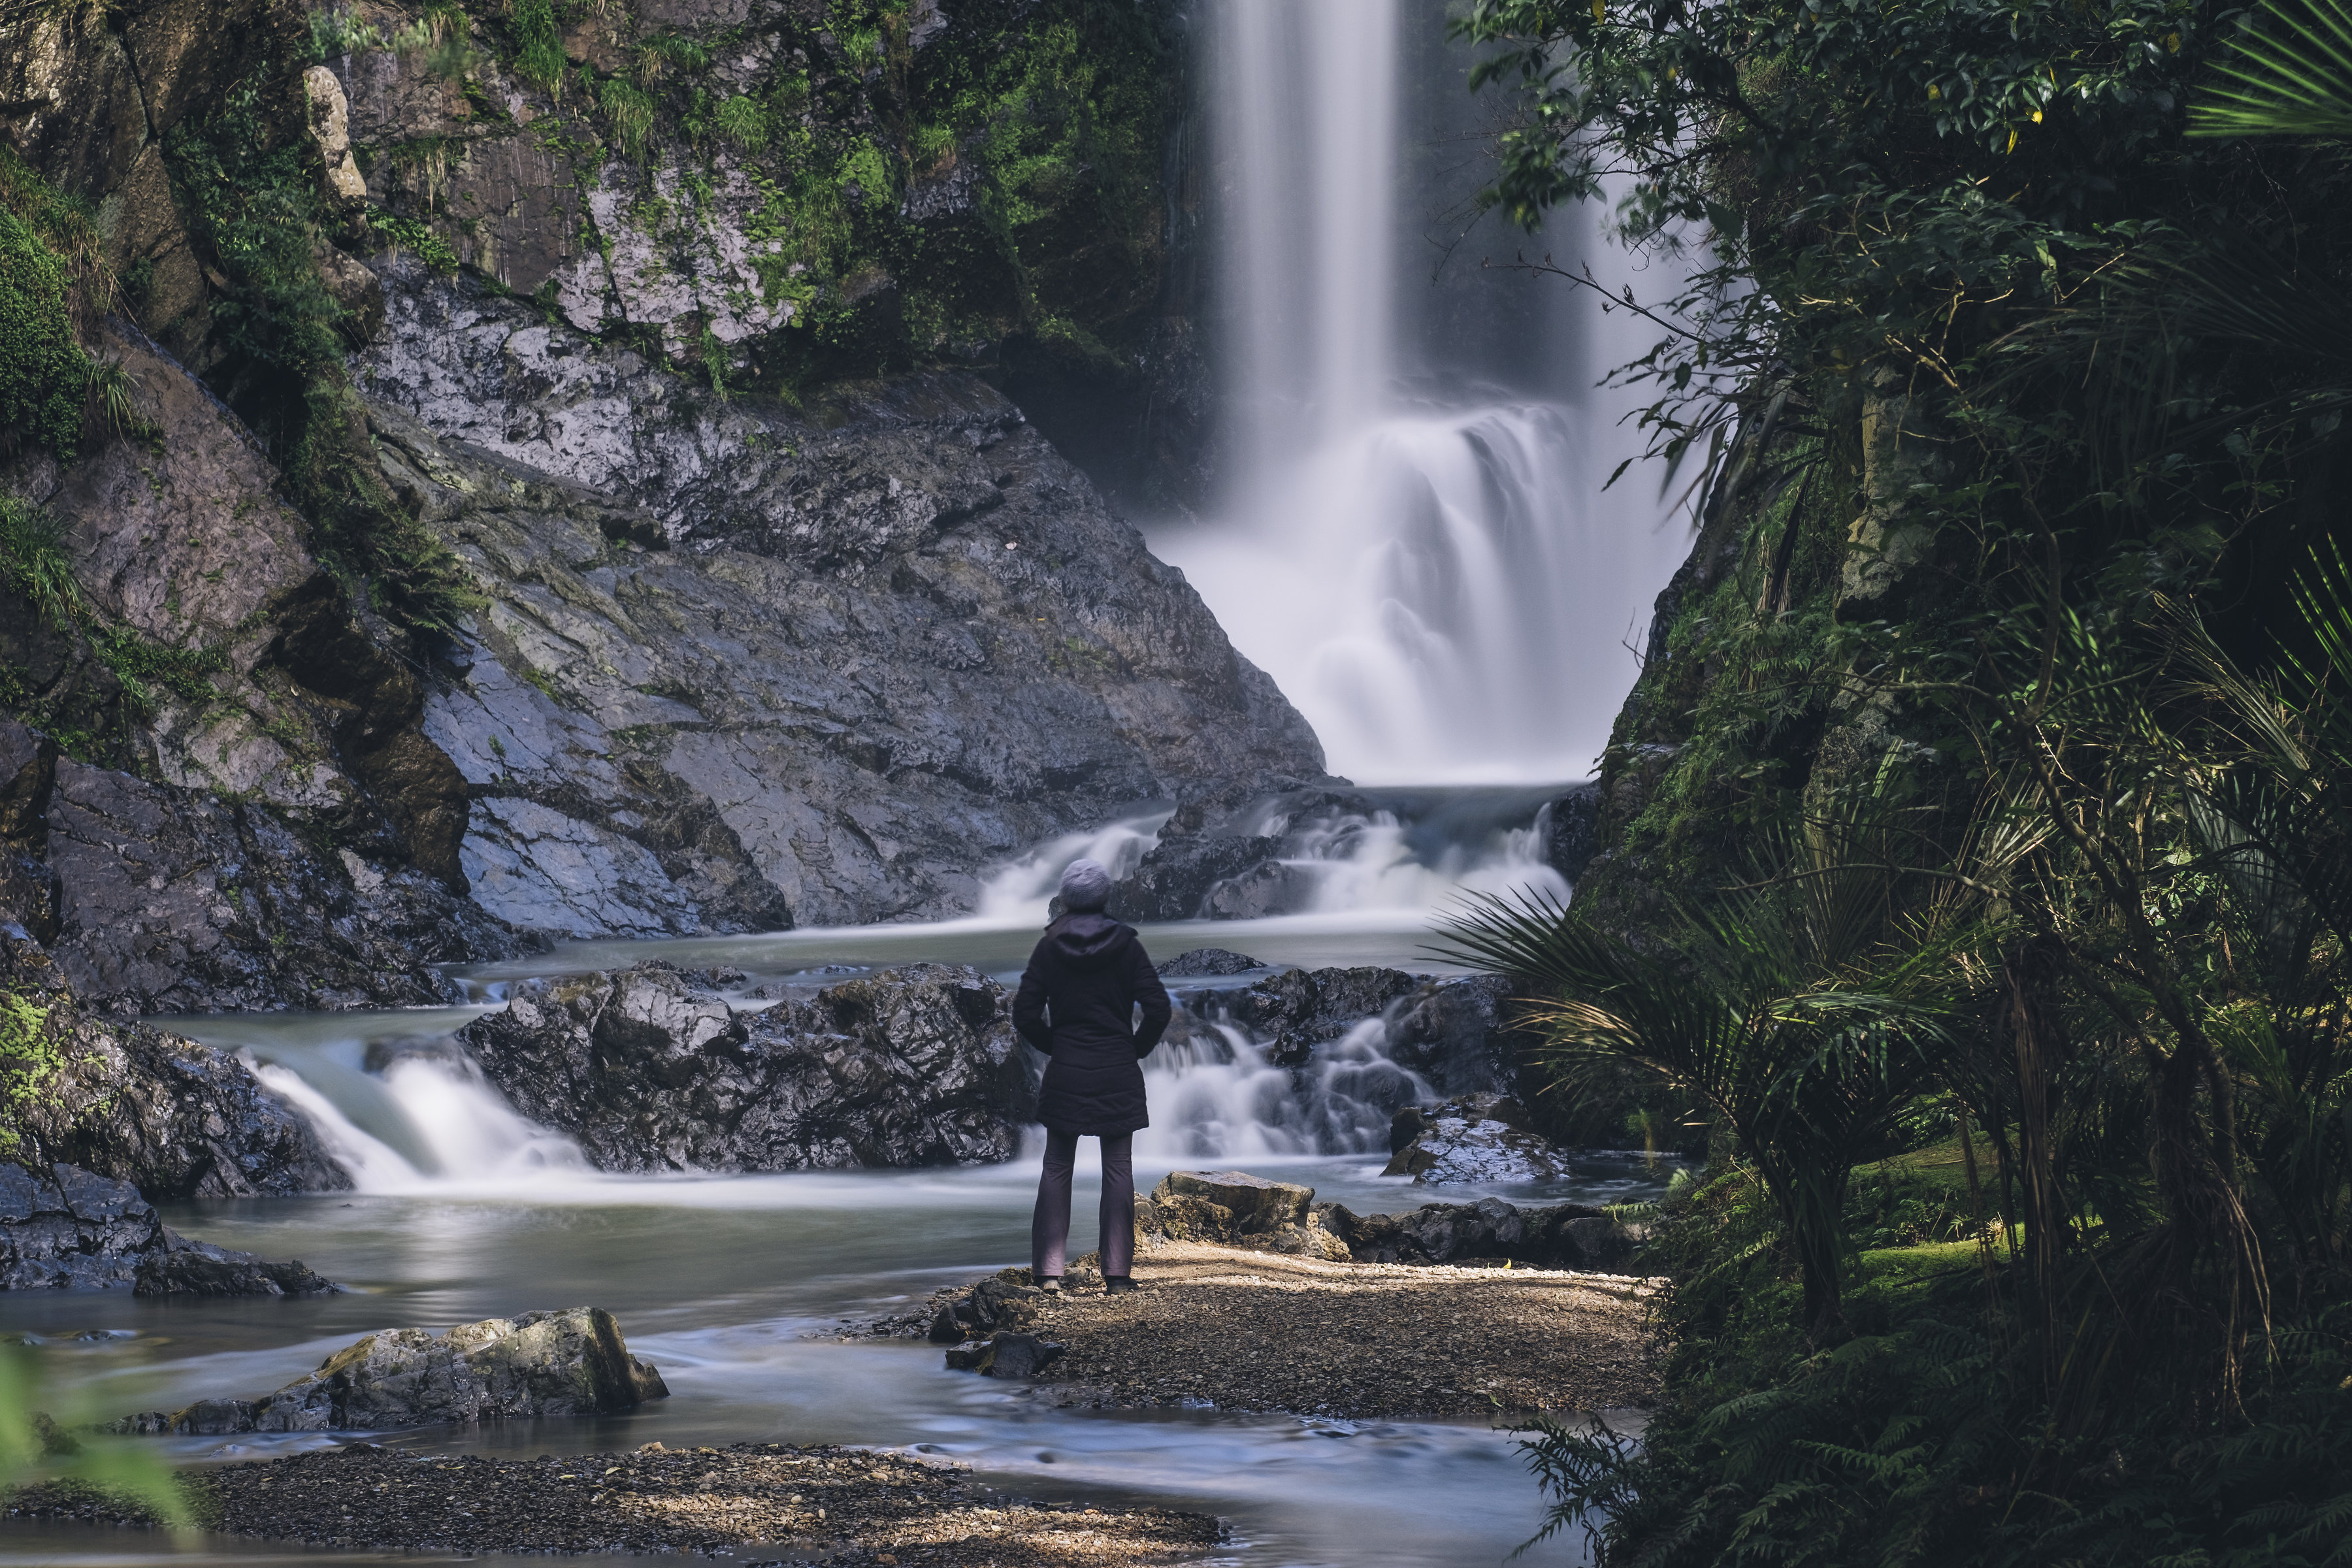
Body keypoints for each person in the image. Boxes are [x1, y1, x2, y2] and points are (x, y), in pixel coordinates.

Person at [1012, 857, 1171, 1295]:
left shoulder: (1049, 947)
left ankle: (1048, 1275)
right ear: (1106, 897)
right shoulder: (1127, 947)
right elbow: (1159, 1009)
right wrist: (1135, 1048)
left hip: (1067, 1071)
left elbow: (1024, 1014)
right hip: (1117, 1071)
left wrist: (1055, 1045)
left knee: (1057, 1166)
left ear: (1065, 899)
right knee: (1118, 1168)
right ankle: (1117, 1277)